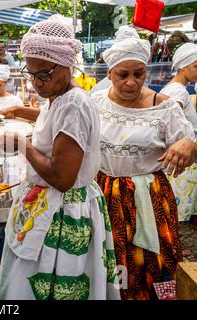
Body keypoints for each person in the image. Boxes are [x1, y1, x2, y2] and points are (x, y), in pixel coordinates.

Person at [0, 15, 119, 300]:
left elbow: (62, 178)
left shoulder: (73, 104)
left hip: (63, 212)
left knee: (55, 285)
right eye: (31, 73)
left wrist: (20, 144)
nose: (37, 82)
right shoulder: (60, 98)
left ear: (66, 65)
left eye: (44, 75)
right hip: (54, 206)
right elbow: (55, 124)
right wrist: (20, 111)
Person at [91, 25, 196, 300]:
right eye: (122, 75)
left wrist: (189, 144)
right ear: (109, 73)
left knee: (155, 260)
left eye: (139, 74)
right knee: (110, 260)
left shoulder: (164, 107)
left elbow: (189, 150)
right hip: (104, 193)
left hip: (150, 197)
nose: (131, 82)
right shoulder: (96, 102)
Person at [160, 43, 197, 223]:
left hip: (181, 153)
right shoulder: (178, 91)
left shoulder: (171, 87)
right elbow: (171, 117)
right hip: (184, 155)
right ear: (183, 66)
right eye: (195, 66)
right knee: (179, 208)